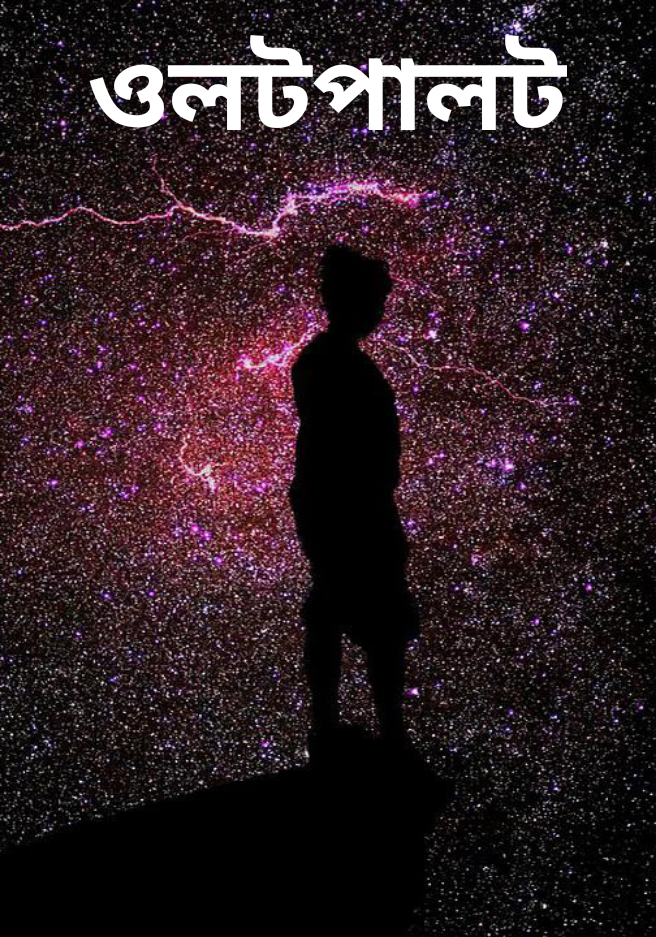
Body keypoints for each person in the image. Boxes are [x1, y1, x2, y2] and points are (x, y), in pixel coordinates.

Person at [289, 244, 420, 754]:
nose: (379, 312)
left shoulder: (333, 360)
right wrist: (367, 493)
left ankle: (346, 728)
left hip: (342, 501)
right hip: (348, 505)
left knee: (343, 606)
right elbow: (339, 440)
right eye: (374, 300)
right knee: (364, 611)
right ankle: (376, 733)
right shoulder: (330, 362)